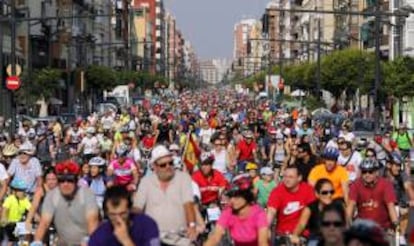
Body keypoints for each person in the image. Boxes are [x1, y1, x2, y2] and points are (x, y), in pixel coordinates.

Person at [133, 145, 197, 241]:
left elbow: (188, 204)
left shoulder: (183, 179)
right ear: (154, 167)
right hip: (154, 235)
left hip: (179, 234)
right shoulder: (145, 183)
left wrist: (192, 226)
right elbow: (138, 208)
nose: (168, 167)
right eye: (163, 165)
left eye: (170, 163)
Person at [32, 160, 100, 246]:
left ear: (76, 181)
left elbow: (92, 224)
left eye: (70, 180)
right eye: (61, 180)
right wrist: (37, 241)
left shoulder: (87, 196)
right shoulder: (52, 196)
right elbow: (44, 223)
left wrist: (90, 241)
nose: (65, 184)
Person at [204, 174, 269, 246]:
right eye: (231, 197)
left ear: (247, 196)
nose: (232, 200)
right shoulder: (228, 212)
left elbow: (263, 242)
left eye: (236, 197)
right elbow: (215, 238)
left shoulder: (259, 213)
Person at [89, 186, 160, 246]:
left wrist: (126, 240)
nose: (118, 219)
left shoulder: (147, 225)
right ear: (106, 213)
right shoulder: (100, 234)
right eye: (112, 214)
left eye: (123, 213)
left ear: (130, 209)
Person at [346, 159, 398, 231]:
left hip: (382, 227)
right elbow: (351, 204)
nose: (367, 175)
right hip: (362, 227)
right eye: (364, 172)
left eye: (370, 172)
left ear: (376, 172)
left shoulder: (386, 184)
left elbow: (390, 205)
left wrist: (395, 224)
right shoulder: (356, 185)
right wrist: (346, 224)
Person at [267, 165, 315, 242]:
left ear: (299, 178)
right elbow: (271, 212)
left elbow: (306, 217)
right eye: (285, 177)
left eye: (291, 177)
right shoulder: (277, 191)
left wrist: (295, 235)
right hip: (282, 234)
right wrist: (266, 227)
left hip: (304, 234)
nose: (287, 180)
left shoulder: (308, 190)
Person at [291, 179, 341, 244]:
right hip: (315, 239)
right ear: (317, 194)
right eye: (324, 192)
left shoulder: (338, 207)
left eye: (331, 192)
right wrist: (295, 235)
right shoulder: (310, 208)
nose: (329, 195)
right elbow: (301, 225)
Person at [2, 178, 31, 246]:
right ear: (14, 191)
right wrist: (4, 219)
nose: (23, 192)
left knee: (28, 231)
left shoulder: (25, 199)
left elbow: (32, 210)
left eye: (24, 190)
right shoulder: (9, 199)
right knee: (12, 240)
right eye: (21, 191)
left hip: (19, 223)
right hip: (9, 223)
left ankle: (24, 244)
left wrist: (39, 218)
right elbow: (4, 210)